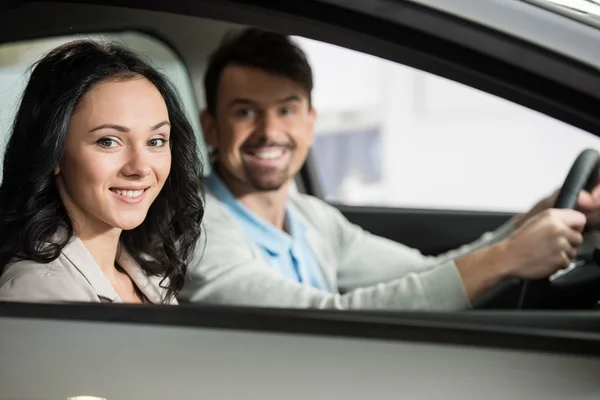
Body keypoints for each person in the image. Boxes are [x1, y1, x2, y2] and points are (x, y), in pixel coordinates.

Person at [178, 28, 600, 310]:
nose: (270, 131)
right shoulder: (198, 227)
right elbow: (323, 319)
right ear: (212, 128)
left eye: (286, 110)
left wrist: (534, 219)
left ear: (310, 123)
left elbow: (423, 273)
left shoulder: (310, 217)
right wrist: (505, 258)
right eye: (246, 111)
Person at [0, 40, 204, 304]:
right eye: (108, 141)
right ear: (54, 153)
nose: (140, 168)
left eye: (155, 141)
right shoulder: (38, 291)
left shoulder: (143, 270)